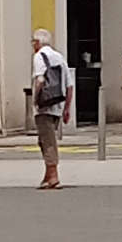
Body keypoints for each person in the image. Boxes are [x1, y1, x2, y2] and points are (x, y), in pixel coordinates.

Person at [29, 29, 71, 189]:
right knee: (44, 140)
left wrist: (35, 100)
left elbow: (40, 79)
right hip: (57, 104)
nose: (33, 45)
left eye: (33, 42)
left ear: (38, 43)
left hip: (44, 105)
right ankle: (48, 176)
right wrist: (66, 108)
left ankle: (54, 177)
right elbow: (69, 84)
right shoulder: (59, 57)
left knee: (48, 141)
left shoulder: (39, 56)